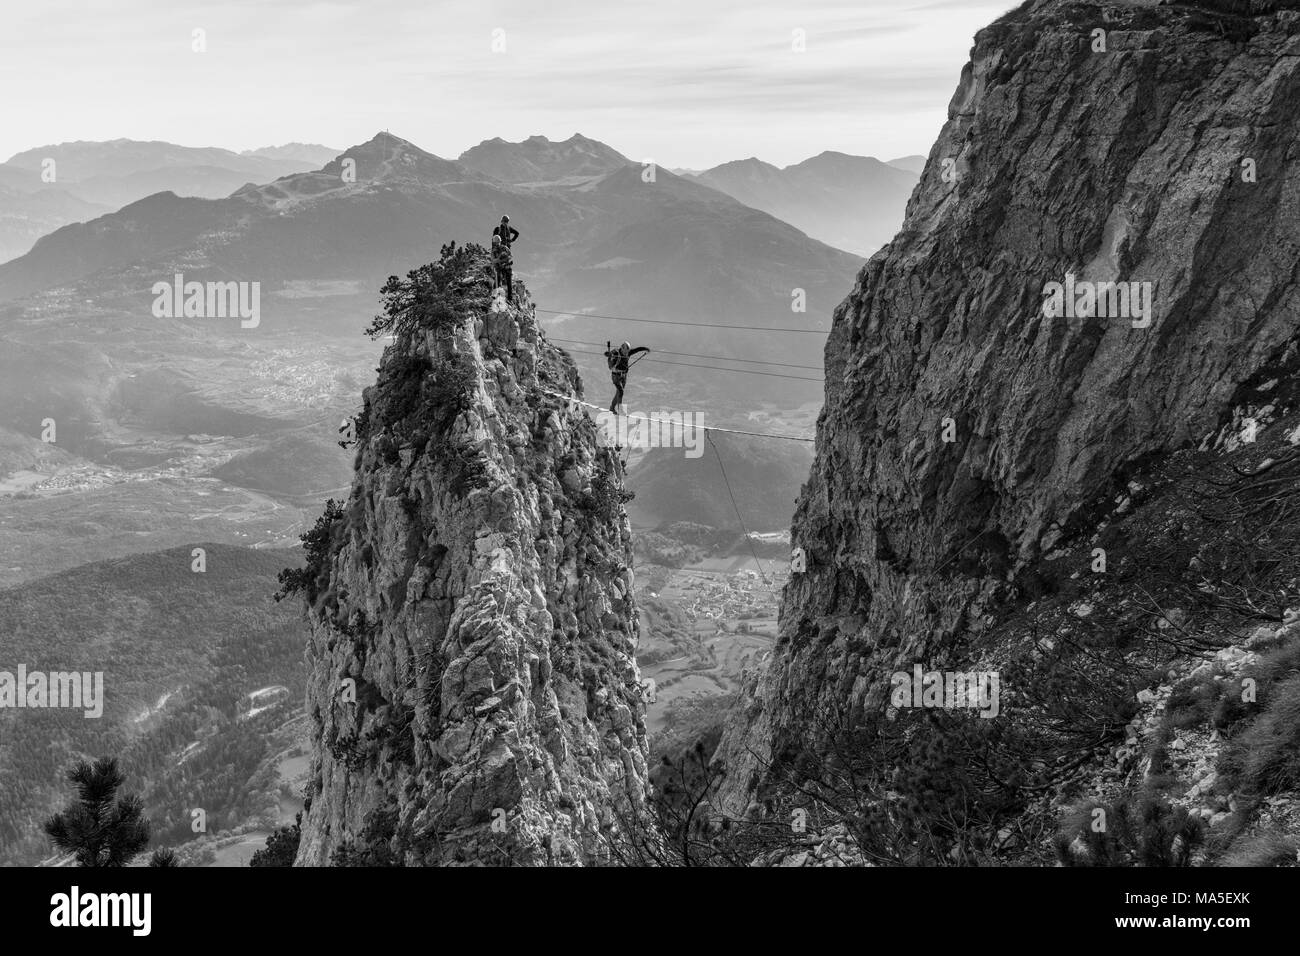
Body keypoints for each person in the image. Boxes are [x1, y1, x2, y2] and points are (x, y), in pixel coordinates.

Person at [604, 340, 649, 413]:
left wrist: (646, 348)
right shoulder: (616, 352)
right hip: (616, 376)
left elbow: (637, 349)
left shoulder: (628, 352)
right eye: (625, 352)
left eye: (627, 352)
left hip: (623, 376)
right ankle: (620, 410)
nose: (626, 354)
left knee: (618, 393)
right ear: (622, 349)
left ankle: (612, 408)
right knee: (621, 392)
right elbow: (606, 354)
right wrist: (608, 354)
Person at [491, 234, 513, 303]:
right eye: (496, 243)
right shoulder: (494, 251)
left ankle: (510, 298)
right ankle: (495, 294)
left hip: (507, 266)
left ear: (500, 241)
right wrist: (499, 260)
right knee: (498, 278)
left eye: (498, 242)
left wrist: (505, 260)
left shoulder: (505, 248)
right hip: (499, 267)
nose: (497, 244)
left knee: (509, 282)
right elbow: (493, 260)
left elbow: (510, 256)